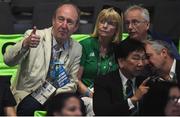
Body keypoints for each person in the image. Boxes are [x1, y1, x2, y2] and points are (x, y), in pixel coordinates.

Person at [3, 3, 82, 115]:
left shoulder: (77, 48)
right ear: (53, 20)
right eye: (61, 19)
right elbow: (8, 61)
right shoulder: (33, 36)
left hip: (56, 95)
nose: (64, 25)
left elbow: (72, 82)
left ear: (76, 27)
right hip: (29, 93)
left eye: (69, 22)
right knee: (29, 107)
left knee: (79, 106)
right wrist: (25, 44)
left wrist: (53, 95)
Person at [93, 38, 149, 115]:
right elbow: (102, 112)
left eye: (143, 58)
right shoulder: (103, 82)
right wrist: (133, 100)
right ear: (121, 62)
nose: (141, 64)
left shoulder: (146, 82)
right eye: (136, 58)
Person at [77, 7, 122, 98]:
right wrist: (91, 95)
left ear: (117, 29)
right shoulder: (84, 45)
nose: (105, 26)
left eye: (110, 23)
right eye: (102, 21)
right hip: (86, 95)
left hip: (110, 95)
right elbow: (76, 80)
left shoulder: (119, 49)